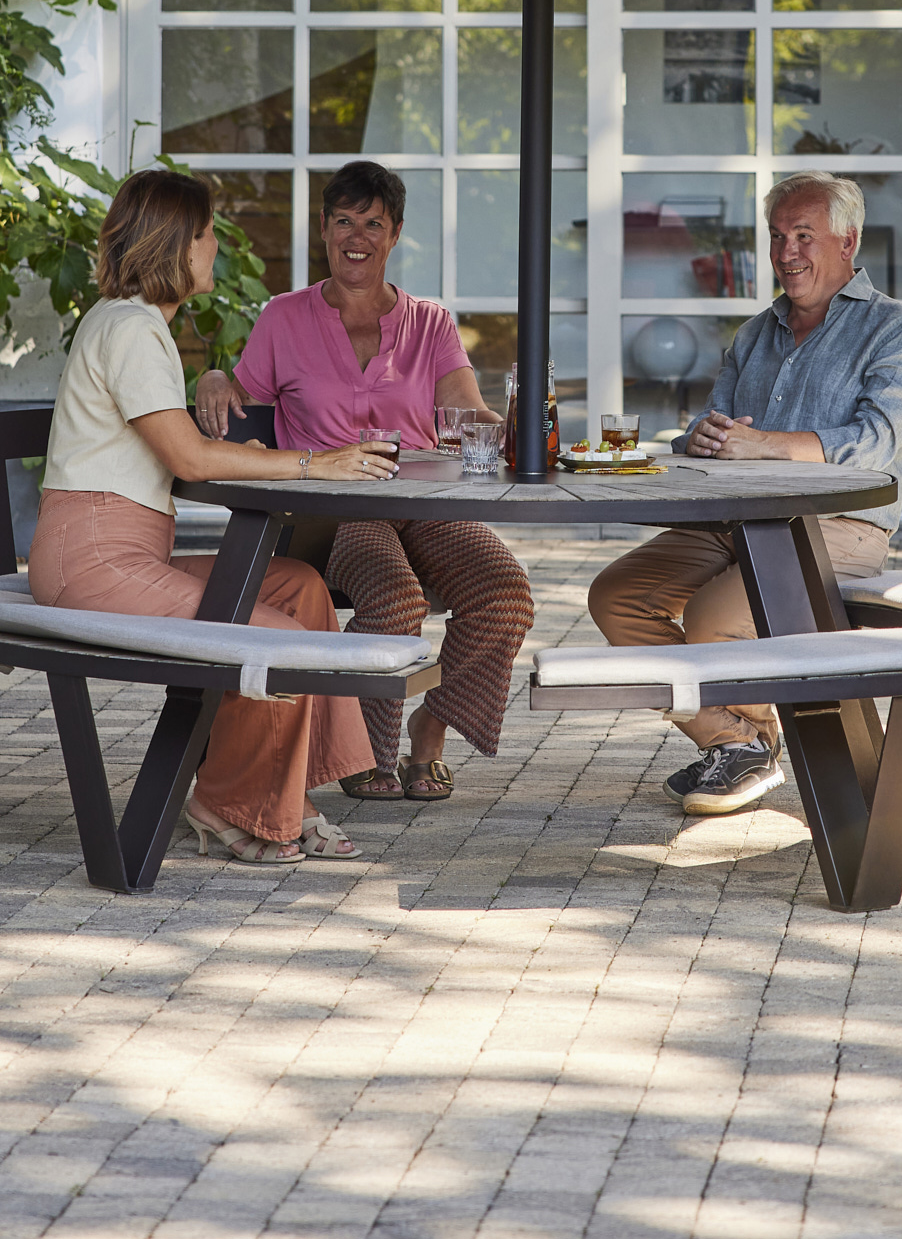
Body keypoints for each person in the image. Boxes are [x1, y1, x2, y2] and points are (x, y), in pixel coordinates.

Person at [28, 165, 396, 865]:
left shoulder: (136, 324)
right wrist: (317, 463)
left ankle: (283, 795)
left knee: (298, 588)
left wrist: (253, 456)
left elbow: (178, 451)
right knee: (278, 639)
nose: (215, 247)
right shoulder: (131, 329)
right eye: (206, 234)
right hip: (92, 560)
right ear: (175, 244)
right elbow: (190, 459)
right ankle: (227, 803)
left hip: (120, 552)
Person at [587, 173, 902, 818]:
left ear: (848, 243)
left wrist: (767, 445)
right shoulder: (755, 333)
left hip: (838, 527)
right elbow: (714, 424)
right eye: (778, 237)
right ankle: (739, 741)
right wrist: (702, 436)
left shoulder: (892, 328)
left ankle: (742, 747)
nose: (787, 252)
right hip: (730, 520)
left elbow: (879, 443)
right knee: (616, 596)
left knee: (713, 619)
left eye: (804, 235)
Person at [196, 160, 534, 800]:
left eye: (373, 224)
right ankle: (367, 751)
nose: (358, 237)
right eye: (345, 221)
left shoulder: (430, 323)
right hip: (334, 511)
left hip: (425, 504)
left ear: (395, 233)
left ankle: (430, 730)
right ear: (324, 228)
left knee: (505, 591)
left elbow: (469, 417)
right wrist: (213, 377)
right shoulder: (284, 318)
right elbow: (238, 397)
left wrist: (524, 423)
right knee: (396, 599)